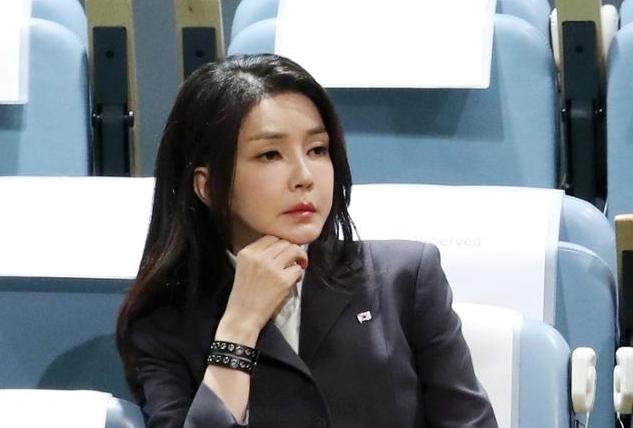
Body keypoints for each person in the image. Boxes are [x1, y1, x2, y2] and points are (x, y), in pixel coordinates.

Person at [116, 53, 498, 428]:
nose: (304, 176)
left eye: (317, 150)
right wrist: (239, 327)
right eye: (270, 155)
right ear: (208, 186)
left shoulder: (406, 278)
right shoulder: (162, 323)